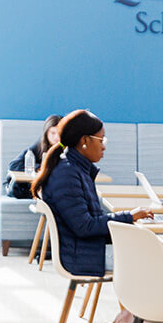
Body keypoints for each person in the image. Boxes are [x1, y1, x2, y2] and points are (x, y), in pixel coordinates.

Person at [32, 110, 150, 276]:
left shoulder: (76, 169)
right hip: (83, 257)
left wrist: (129, 221)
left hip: (89, 250)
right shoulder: (67, 174)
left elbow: (91, 221)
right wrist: (129, 217)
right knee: (158, 261)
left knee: (155, 251)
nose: (104, 146)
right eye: (101, 140)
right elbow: (85, 226)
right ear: (85, 141)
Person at [5, 114, 62, 199]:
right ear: (46, 133)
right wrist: (39, 168)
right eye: (53, 133)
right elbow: (14, 165)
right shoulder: (39, 146)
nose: (56, 137)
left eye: (59, 133)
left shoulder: (70, 148)